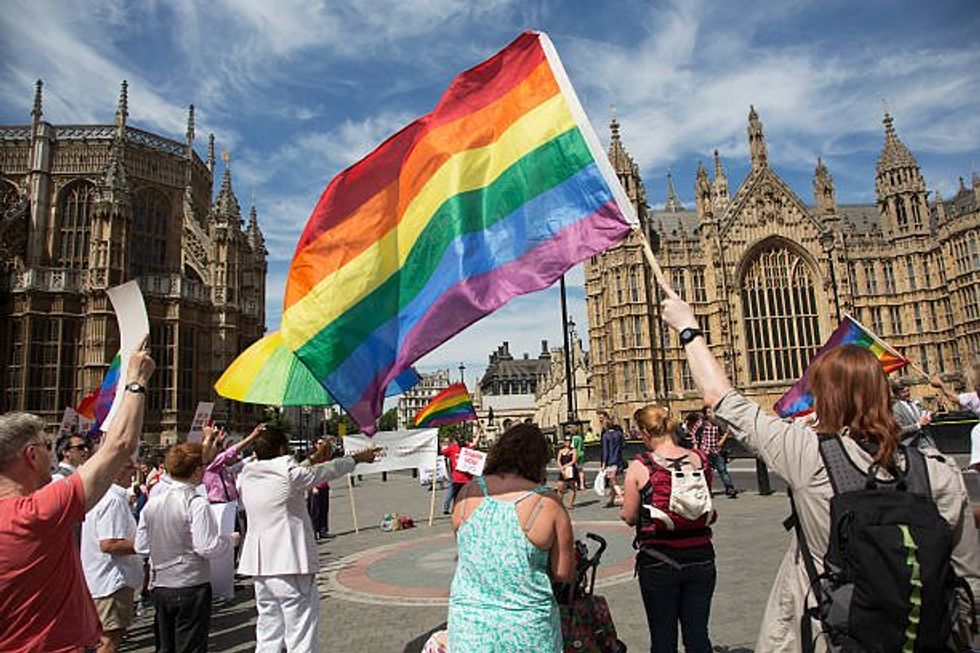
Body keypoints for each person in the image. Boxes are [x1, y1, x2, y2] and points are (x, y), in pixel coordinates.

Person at [657, 275, 980, 653]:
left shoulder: (809, 457)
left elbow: (721, 399)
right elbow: (969, 587)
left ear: (823, 399)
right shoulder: (939, 471)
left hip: (830, 636)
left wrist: (687, 328)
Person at [0, 346, 154, 652]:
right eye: (47, 446)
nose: (53, 454)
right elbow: (120, 445)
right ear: (31, 456)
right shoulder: (36, 514)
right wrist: (136, 381)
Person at [237, 428, 380, 652]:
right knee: (300, 634)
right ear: (283, 450)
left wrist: (314, 455)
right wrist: (357, 459)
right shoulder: (288, 474)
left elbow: (298, 472)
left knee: (268, 632)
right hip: (289, 564)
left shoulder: (247, 475)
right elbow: (325, 471)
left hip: (261, 567)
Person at [448, 423, 575, 652]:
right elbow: (563, 573)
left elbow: (467, 549)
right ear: (539, 460)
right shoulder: (548, 504)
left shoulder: (466, 493)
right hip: (528, 630)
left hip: (470, 628)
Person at [620, 404, 717, 653]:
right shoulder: (700, 459)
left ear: (645, 432)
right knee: (697, 636)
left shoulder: (640, 466)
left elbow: (629, 517)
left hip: (659, 560)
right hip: (702, 556)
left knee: (663, 637)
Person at [135, 442, 240, 653]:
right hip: (190, 583)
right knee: (191, 646)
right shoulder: (195, 502)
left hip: (162, 584)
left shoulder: (154, 502)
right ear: (196, 470)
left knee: (166, 646)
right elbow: (206, 547)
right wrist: (230, 540)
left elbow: (141, 546)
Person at [81, 461, 143, 653]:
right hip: (112, 580)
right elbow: (109, 543)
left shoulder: (104, 496)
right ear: (114, 473)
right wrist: (145, 545)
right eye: (128, 467)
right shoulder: (113, 500)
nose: (132, 471)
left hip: (102, 579)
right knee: (110, 639)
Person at [692, 409, 738, 498]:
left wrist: (723, 438)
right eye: (709, 412)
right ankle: (707, 491)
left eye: (712, 412)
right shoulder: (701, 423)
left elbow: (724, 433)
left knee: (722, 470)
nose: (711, 414)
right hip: (705, 451)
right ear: (705, 414)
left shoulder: (718, 423)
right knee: (707, 472)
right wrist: (695, 446)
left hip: (716, 451)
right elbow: (694, 433)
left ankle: (730, 489)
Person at [891, 379, 934, 446]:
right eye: (903, 392)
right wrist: (917, 425)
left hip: (927, 441)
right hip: (911, 444)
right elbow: (898, 430)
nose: (907, 394)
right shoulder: (896, 409)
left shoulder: (916, 403)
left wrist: (928, 417)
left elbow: (925, 413)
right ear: (897, 394)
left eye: (908, 391)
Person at [442, 435, 472, 514]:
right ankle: (459, 507)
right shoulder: (468, 448)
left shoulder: (453, 448)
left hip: (456, 476)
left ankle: (447, 507)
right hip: (466, 477)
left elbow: (444, 453)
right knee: (464, 494)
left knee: (452, 492)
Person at [600, 416, 625, 507]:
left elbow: (605, 451)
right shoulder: (619, 434)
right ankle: (611, 500)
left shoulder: (606, 436)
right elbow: (623, 446)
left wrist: (603, 464)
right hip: (619, 460)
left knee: (613, 481)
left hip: (611, 461)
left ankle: (621, 495)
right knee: (612, 480)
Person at [556, 435, 578, 510]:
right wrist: (561, 467)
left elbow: (574, 460)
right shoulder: (561, 451)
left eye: (569, 440)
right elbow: (558, 460)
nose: (568, 442)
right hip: (563, 470)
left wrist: (566, 465)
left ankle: (570, 504)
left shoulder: (573, 450)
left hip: (571, 470)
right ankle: (559, 503)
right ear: (564, 442)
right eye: (566, 440)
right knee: (560, 487)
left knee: (572, 487)